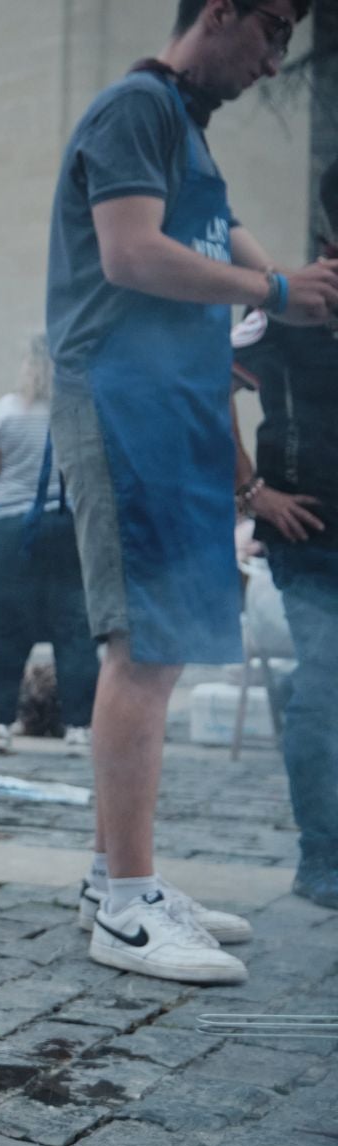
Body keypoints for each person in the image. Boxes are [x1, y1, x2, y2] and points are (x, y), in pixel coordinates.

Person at [47, 0, 338, 984]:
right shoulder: (136, 107)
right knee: (141, 649)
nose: (276, 60)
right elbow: (131, 253)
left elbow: (239, 243)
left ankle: (115, 878)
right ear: (219, 11)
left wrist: (291, 283)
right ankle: (128, 907)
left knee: (156, 651)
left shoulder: (182, 128)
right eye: (272, 30)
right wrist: (277, 291)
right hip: (122, 403)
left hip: (167, 411)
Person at [229, 159, 338, 909]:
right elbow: (208, 384)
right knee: (326, 685)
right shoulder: (294, 302)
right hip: (314, 536)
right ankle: (323, 857)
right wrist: (251, 491)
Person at [0, 337, 101, 756]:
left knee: (5, 631)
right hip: (68, 529)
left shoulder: (8, 409)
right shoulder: (81, 410)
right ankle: (79, 726)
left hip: (10, 531)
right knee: (75, 630)